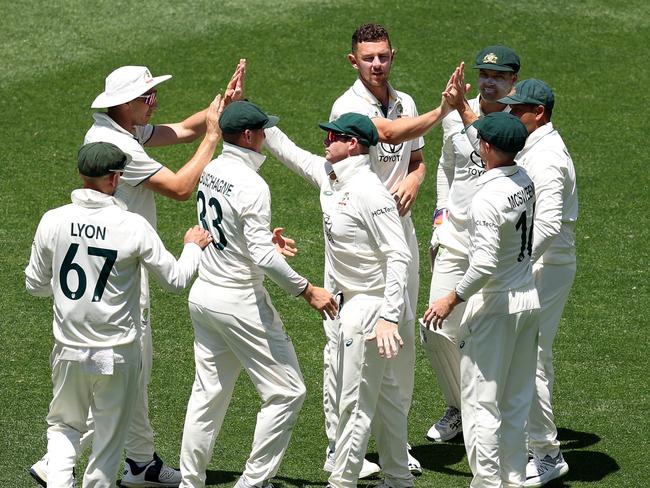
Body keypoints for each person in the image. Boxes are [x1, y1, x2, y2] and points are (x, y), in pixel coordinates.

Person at [30, 61, 243, 488]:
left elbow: (183, 129)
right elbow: (183, 187)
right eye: (148, 97)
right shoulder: (121, 150)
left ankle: (141, 462)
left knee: (134, 375)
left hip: (98, 279)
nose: (155, 102)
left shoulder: (118, 132)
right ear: (126, 103)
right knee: (123, 379)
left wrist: (222, 103)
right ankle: (56, 464)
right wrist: (217, 138)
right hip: (122, 274)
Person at [24, 142, 212, 488]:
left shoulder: (53, 220)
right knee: (109, 441)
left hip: (67, 350)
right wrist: (192, 246)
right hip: (118, 353)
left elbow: (35, 284)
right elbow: (176, 279)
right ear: (113, 179)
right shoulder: (132, 225)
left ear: (82, 175)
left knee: (64, 427)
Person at [178, 101, 338, 488]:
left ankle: (189, 482)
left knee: (207, 395)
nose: (267, 137)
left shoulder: (212, 170)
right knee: (287, 392)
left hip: (205, 296)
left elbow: (226, 229)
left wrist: (262, 240)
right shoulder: (252, 184)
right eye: (263, 131)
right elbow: (263, 258)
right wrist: (307, 289)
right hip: (239, 302)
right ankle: (253, 483)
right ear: (249, 136)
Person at [326, 22, 455, 476]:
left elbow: (416, 159)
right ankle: (341, 450)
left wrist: (415, 182)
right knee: (346, 345)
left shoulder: (406, 102)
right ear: (353, 61)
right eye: (368, 57)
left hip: (399, 236)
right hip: (356, 244)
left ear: (392, 55)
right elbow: (391, 135)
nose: (376, 64)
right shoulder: (347, 107)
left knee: (397, 340)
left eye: (383, 56)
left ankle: (393, 448)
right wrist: (445, 109)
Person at [264, 112, 413, 488]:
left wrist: (389, 317)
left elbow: (399, 254)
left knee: (355, 403)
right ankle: (399, 479)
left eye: (332, 135)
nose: (325, 140)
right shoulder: (332, 177)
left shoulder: (369, 191)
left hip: (370, 308)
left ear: (353, 144)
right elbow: (290, 153)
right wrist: (256, 117)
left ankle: (342, 482)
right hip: (348, 306)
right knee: (386, 400)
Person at [424, 112, 540, 487]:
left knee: (480, 405)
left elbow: (484, 263)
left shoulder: (487, 197)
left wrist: (451, 299)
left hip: (495, 307)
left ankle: (488, 483)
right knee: (516, 401)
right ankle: (513, 480)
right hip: (527, 301)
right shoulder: (525, 179)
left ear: (486, 148)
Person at [421, 46, 521, 444]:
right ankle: (460, 407)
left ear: (514, 80)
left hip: (496, 247)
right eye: (483, 74)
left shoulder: (518, 126)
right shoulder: (452, 118)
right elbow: (448, 167)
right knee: (435, 326)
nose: (489, 81)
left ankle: (492, 409)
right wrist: (440, 216)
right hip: (455, 236)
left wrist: (462, 109)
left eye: (498, 76)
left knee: (486, 334)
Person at [498, 79, 578, 487]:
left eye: (517, 110)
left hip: (544, 266)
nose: (510, 115)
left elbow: (546, 224)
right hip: (540, 264)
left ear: (539, 113)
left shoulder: (546, 158)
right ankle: (537, 445)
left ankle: (547, 454)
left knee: (531, 359)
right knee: (531, 357)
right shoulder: (536, 145)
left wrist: (514, 262)